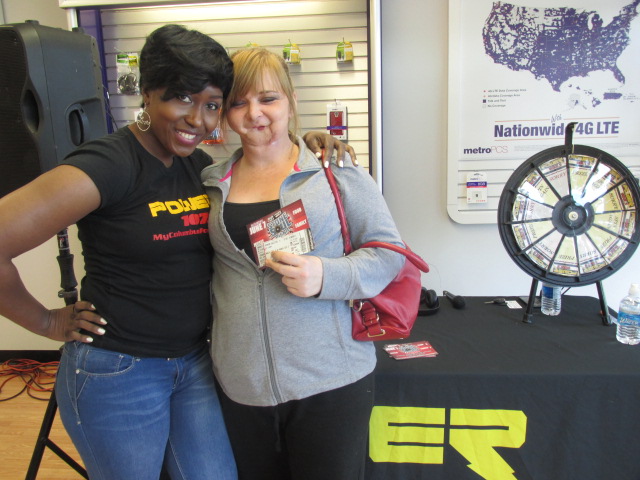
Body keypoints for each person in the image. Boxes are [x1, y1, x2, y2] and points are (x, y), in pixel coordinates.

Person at [0, 25, 354, 480]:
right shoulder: (108, 165)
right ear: (147, 93)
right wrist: (46, 322)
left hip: (193, 365)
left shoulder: (199, 167)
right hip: (119, 372)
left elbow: (263, 171)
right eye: (182, 98)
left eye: (212, 105)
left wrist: (307, 144)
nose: (198, 120)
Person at [201, 47, 405, 480]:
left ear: (291, 101)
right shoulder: (211, 183)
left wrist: (326, 275)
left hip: (331, 380)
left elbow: (390, 253)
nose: (254, 113)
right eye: (238, 102)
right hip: (241, 386)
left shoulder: (335, 171)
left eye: (268, 99)